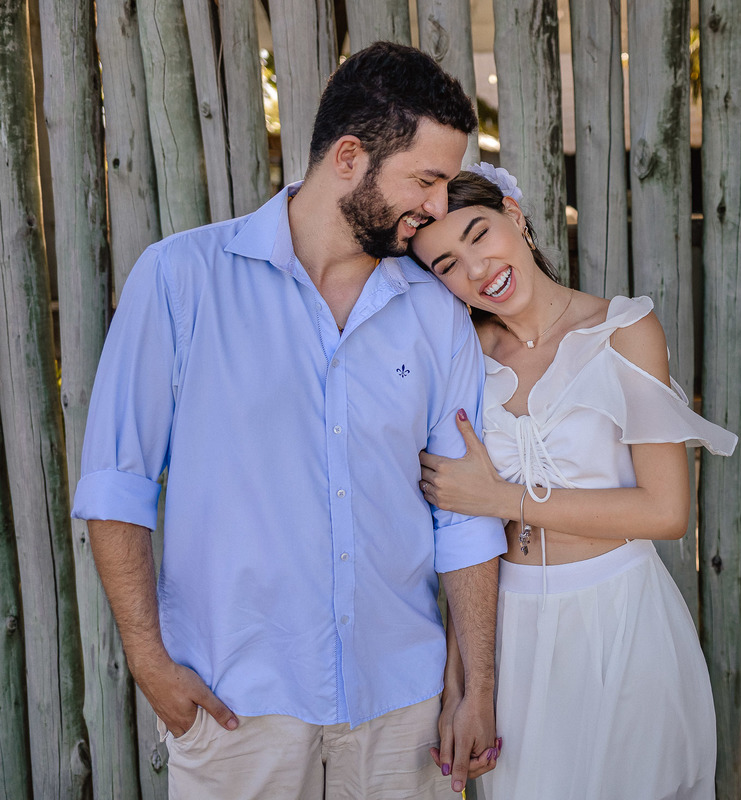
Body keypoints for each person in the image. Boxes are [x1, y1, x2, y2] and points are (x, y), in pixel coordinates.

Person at [71, 43, 506, 798]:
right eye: (426, 180)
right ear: (349, 157)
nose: (439, 208)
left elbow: (462, 518)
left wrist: (479, 686)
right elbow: (117, 484)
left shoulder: (435, 313)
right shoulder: (180, 281)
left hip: (402, 707)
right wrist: (148, 661)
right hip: (237, 705)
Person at [409, 165, 737, 799]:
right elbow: (464, 535)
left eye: (479, 234)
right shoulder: (463, 359)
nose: (476, 269)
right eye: (447, 265)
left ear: (515, 215)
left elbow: (665, 511)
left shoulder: (624, 331)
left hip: (621, 617)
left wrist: (503, 499)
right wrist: (462, 685)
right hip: (511, 630)